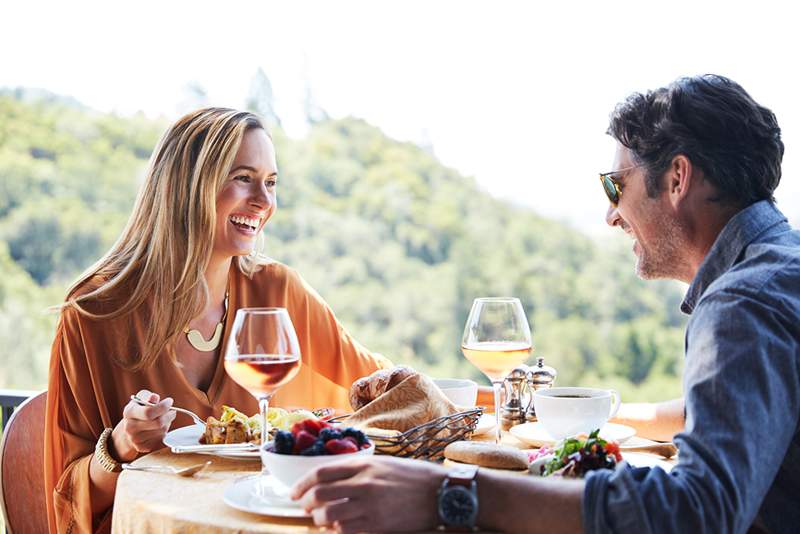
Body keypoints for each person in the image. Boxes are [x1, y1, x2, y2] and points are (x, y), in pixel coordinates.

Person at [292, 74, 800, 533]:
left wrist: (447, 493)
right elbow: (730, 407)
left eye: (615, 185)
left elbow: (696, 511)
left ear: (677, 178)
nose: (610, 213)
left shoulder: (742, 302)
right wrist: (607, 414)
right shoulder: (779, 270)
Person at [43, 108, 392, 533]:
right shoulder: (95, 313)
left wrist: (486, 399)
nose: (264, 202)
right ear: (186, 188)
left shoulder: (279, 291)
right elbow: (66, 498)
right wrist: (122, 445)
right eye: (243, 178)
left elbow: (383, 391)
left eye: (271, 183)